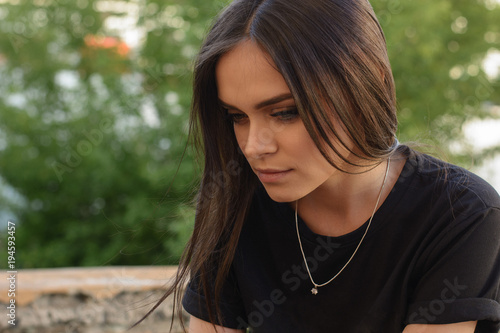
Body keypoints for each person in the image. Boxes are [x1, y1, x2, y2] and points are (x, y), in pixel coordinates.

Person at [138, 0, 500, 331]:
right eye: (236, 116)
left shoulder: (462, 215)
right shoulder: (238, 204)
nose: (253, 146)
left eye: (284, 112)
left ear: (369, 79)